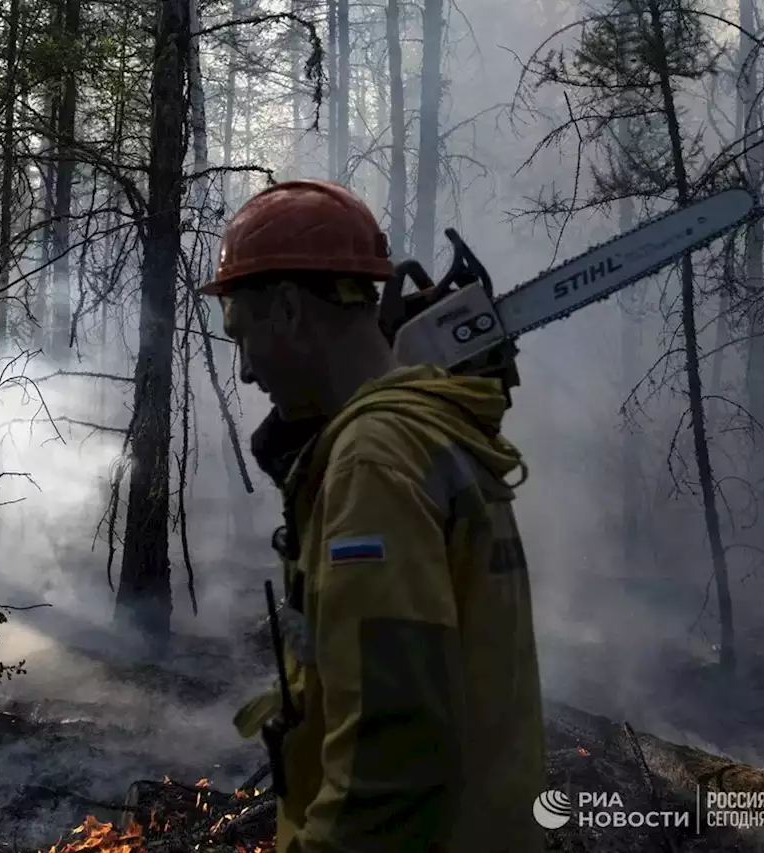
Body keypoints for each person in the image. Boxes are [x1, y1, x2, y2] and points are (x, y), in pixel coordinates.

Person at [206, 180, 546, 853]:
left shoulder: (374, 462)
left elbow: (391, 758)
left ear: (288, 309)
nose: (245, 373)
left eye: (245, 337)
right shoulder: (431, 429)